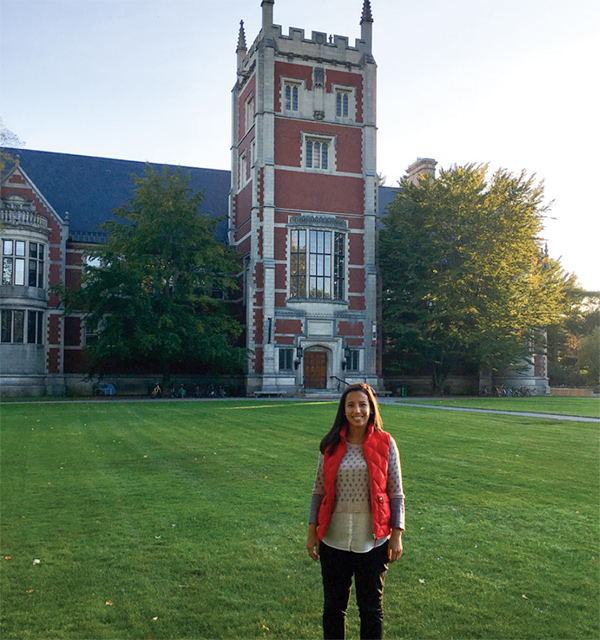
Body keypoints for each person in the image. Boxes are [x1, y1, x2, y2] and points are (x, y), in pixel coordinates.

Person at [306, 383, 405, 640]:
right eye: (351, 405)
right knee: (333, 609)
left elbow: (396, 492)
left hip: (372, 540)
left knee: (371, 609)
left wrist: (397, 534)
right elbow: (318, 490)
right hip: (333, 537)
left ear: (372, 409)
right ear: (343, 410)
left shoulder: (385, 443)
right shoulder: (330, 445)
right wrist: (311, 531)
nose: (357, 410)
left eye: (363, 404)